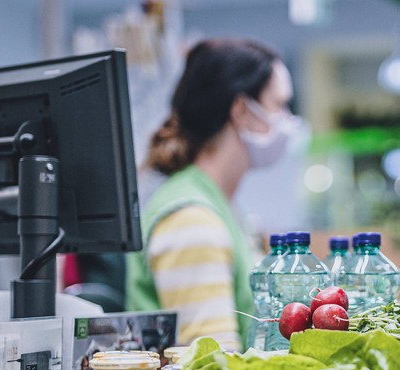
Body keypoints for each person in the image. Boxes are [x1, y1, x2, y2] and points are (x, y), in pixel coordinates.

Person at [125, 38, 302, 351]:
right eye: (279, 105)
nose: (288, 120)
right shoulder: (190, 219)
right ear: (242, 110)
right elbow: (214, 363)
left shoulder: (220, 205)